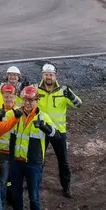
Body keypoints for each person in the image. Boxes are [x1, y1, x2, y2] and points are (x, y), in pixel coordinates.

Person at [7, 86, 58, 210]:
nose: (27, 103)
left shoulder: (42, 117)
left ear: (36, 100)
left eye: (31, 100)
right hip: (17, 162)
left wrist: (44, 126)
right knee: (16, 195)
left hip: (33, 164)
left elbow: (55, 134)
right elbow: (2, 128)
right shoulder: (15, 115)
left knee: (34, 197)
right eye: (25, 100)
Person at [36, 63, 82, 198]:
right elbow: (22, 100)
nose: (48, 77)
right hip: (41, 130)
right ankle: (36, 183)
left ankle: (66, 186)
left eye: (51, 74)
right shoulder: (36, 90)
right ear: (42, 75)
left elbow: (78, 104)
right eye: (46, 74)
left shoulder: (63, 90)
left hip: (58, 132)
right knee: (39, 159)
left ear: (55, 75)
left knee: (63, 160)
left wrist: (71, 96)